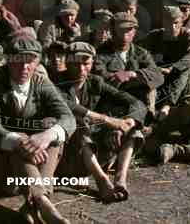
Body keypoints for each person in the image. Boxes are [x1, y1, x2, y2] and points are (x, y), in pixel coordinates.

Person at [0, 31, 75, 224]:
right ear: (8, 60)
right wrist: (17, 140)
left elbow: (68, 117)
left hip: (35, 167)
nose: (24, 67)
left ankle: (37, 202)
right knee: (19, 140)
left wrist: (47, 136)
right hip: (3, 170)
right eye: (18, 60)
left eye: (30, 60)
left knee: (52, 129)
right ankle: (41, 200)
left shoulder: (40, 82)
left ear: (37, 62)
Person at [58, 42, 147, 203]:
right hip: (70, 156)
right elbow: (71, 107)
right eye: (75, 64)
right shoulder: (57, 83)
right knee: (77, 125)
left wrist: (127, 123)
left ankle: (120, 178)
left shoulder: (95, 82)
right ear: (67, 63)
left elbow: (136, 103)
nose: (81, 69)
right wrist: (108, 121)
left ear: (92, 63)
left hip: (96, 150)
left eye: (85, 63)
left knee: (134, 131)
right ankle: (101, 180)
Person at [94, 12, 164, 116]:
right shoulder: (101, 53)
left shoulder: (141, 53)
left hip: (139, 102)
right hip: (113, 102)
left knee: (150, 86)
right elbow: (100, 77)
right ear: (112, 31)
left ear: (134, 32)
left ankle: (148, 119)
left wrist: (133, 74)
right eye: (120, 30)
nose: (124, 34)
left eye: (129, 29)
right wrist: (120, 76)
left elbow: (158, 76)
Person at [143, 6, 190, 117]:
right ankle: (150, 111)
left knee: (186, 69)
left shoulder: (189, 36)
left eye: (176, 23)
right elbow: (141, 54)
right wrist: (154, 67)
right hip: (159, 77)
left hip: (183, 82)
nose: (172, 27)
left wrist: (172, 68)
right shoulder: (154, 36)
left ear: (181, 22)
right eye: (168, 23)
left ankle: (167, 105)